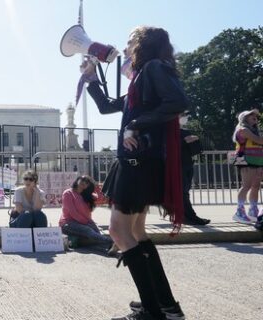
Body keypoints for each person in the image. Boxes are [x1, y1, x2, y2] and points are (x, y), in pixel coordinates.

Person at [83, 26, 187, 319]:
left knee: (118, 231)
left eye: (130, 41)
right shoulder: (145, 75)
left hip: (137, 162)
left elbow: (178, 102)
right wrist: (91, 77)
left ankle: (153, 311)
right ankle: (165, 305)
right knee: (137, 232)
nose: (126, 46)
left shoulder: (153, 68)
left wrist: (137, 124)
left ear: (142, 43)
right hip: (140, 162)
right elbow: (105, 107)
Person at [59, 175, 115, 252]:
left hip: (86, 222)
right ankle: (113, 242)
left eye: (87, 182)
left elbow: (101, 199)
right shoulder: (68, 193)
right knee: (89, 231)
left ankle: (109, 244)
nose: (84, 182)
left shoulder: (88, 195)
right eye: (82, 180)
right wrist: (86, 223)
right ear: (77, 180)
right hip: (68, 223)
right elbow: (73, 213)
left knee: (96, 235)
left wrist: (97, 188)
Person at [232, 108, 263, 223]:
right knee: (246, 185)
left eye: (255, 116)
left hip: (257, 161)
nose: (255, 117)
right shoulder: (243, 129)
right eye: (251, 115)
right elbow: (259, 141)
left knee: (256, 186)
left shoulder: (255, 131)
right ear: (244, 118)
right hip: (244, 159)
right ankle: (239, 212)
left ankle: (253, 210)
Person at [179, 115, 210, 225]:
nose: (185, 118)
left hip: (187, 164)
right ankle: (190, 216)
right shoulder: (168, 131)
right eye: (182, 115)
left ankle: (185, 215)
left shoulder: (186, 131)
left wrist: (196, 140)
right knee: (182, 192)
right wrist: (183, 141)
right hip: (177, 165)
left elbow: (196, 150)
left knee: (185, 191)